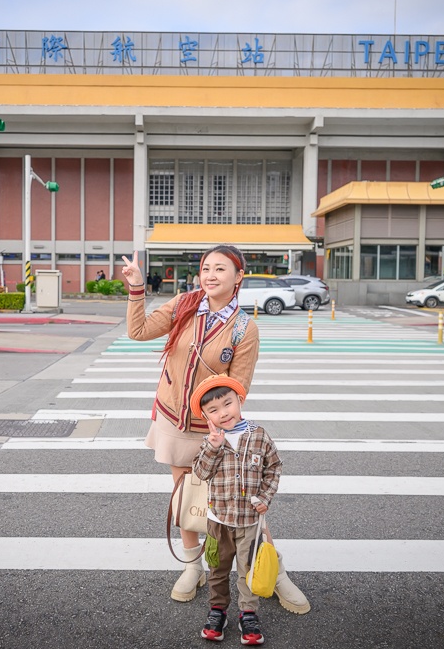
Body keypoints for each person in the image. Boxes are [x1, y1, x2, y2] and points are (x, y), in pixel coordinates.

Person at [121, 245, 309, 614]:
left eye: (220, 269)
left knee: (241, 505)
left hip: (217, 431)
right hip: (174, 420)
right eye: (206, 267)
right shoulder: (183, 305)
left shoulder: (244, 328)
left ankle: (275, 571)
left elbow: (238, 388)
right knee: (185, 501)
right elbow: (137, 331)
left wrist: (217, 430)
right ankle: (193, 568)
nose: (210, 275)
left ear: (238, 276)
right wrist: (137, 288)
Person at [192, 374, 281, 645]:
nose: (223, 413)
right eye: (214, 410)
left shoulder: (259, 435)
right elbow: (201, 472)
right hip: (217, 519)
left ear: (239, 401)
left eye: (227, 404)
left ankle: (248, 612)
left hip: (249, 521)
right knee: (217, 568)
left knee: (247, 568)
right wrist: (213, 446)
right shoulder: (211, 441)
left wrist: (266, 495)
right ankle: (217, 610)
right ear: (207, 416)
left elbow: (274, 466)